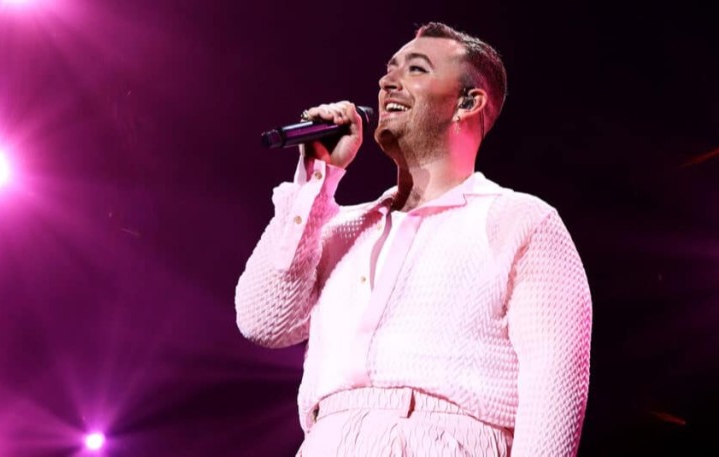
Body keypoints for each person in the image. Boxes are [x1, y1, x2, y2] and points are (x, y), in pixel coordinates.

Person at [235, 21, 592, 457]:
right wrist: (318, 179)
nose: (387, 82)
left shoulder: (518, 222)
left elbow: (553, 396)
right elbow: (262, 322)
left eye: (416, 69)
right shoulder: (342, 228)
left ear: (468, 102)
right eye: (389, 69)